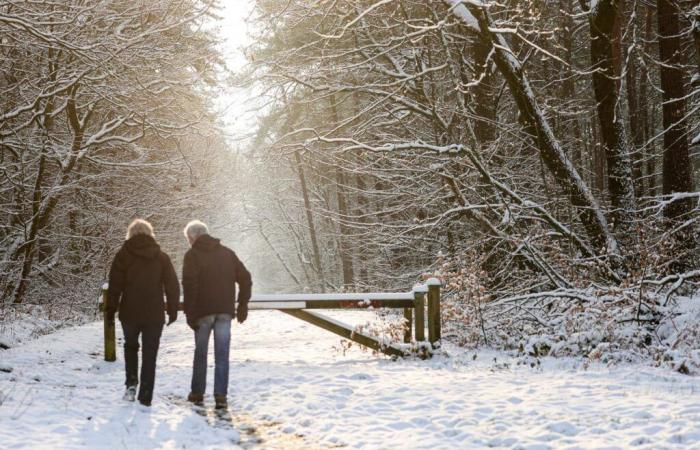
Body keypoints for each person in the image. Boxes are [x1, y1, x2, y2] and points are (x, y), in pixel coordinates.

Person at [107, 219, 180, 406]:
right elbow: (172, 284)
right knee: (150, 352)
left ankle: (131, 384)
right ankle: (146, 395)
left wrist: (110, 310)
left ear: (130, 234)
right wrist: (172, 309)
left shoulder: (123, 255)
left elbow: (115, 285)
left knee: (131, 347)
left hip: (129, 312)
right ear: (150, 233)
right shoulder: (161, 256)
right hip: (154, 313)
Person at [182, 220, 252, 409]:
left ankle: (197, 393)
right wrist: (242, 304)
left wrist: (190, 313)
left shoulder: (192, 255)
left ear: (192, 237)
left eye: (188, 239)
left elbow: (189, 286)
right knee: (222, 355)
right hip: (224, 312)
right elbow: (246, 279)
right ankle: (221, 395)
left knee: (201, 354)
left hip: (202, 312)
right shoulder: (227, 254)